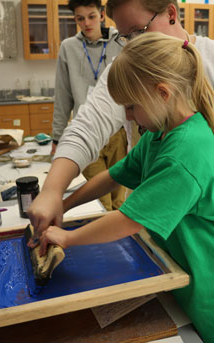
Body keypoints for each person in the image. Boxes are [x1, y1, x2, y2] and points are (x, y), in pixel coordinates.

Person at [37, 33, 214, 343]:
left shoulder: (183, 152)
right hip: (194, 266)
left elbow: (130, 220)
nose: (127, 117)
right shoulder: (162, 133)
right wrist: (63, 205)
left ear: (163, 93)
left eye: (131, 107)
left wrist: (69, 237)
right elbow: (114, 175)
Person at [28, 0, 214, 238]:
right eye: (124, 37)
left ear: (170, 13)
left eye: (138, 31)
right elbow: (88, 129)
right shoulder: (144, 104)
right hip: (159, 230)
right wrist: (53, 191)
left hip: (208, 237)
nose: (132, 46)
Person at [51, 0, 127, 211]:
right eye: (80, 18)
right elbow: (63, 95)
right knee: (100, 203)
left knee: (120, 201)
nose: (86, 23)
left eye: (91, 16)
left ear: (102, 15)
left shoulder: (122, 41)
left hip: (119, 133)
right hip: (88, 132)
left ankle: (120, 243)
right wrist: (57, 137)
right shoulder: (69, 48)